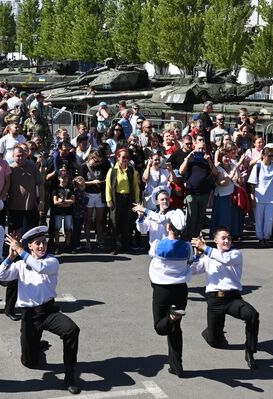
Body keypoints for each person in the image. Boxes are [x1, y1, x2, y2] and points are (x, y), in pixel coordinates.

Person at [0, 226, 81, 395]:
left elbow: (39, 267)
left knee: (71, 330)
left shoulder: (51, 262)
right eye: (38, 243)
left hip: (49, 312)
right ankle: (37, 346)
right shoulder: (21, 264)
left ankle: (70, 375)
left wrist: (19, 249)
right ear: (30, 246)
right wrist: (10, 257)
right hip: (29, 316)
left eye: (44, 242)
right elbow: (1, 276)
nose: (42, 246)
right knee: (29, 362)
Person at [191, 227, 260, 370]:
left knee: (252, 314)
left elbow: (224, 259)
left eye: (229, 238)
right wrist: (197, 255)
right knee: (215, 342)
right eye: (223, 238)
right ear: (215, 240)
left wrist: (204, 247)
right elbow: (192, 270)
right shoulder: (208, 256)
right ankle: (210, 332)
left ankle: (250, 351)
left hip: (232, 299)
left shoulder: (235, 254)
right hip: (215, 301)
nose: (227, 240)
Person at [147, 209, 193, 378]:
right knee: (176, 329)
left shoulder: (158, 245)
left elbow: (151, 254)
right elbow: (191, 261)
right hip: (181, 290)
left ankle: (172, 317)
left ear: (168, 227)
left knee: (160, 326)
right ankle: (177, 366)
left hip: (162, 289)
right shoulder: (188, 247)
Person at [248, 146, 273, 247]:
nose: (271, 157)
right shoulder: (258, 167)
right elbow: (252, 183)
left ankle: (267, 237)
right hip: (259, 198)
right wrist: (252, 198)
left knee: (269, 220)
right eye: (269, 156)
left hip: (271, 198)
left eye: (272, 155)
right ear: (263, 156)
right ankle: (260, 238)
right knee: (259, 220)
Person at [105, 148, 140, 254]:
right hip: (116, 199)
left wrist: (137, 200)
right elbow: (108, 186)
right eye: (123, 157)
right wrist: (109, 200)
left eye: (127, 157)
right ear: (118, 157)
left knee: (127, 222)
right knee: (114, 223)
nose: (125, 159)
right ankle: (113, 247)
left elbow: (136, 186)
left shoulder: (131, 170)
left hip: (128, 199)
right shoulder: (112, 171)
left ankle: (126, 246)